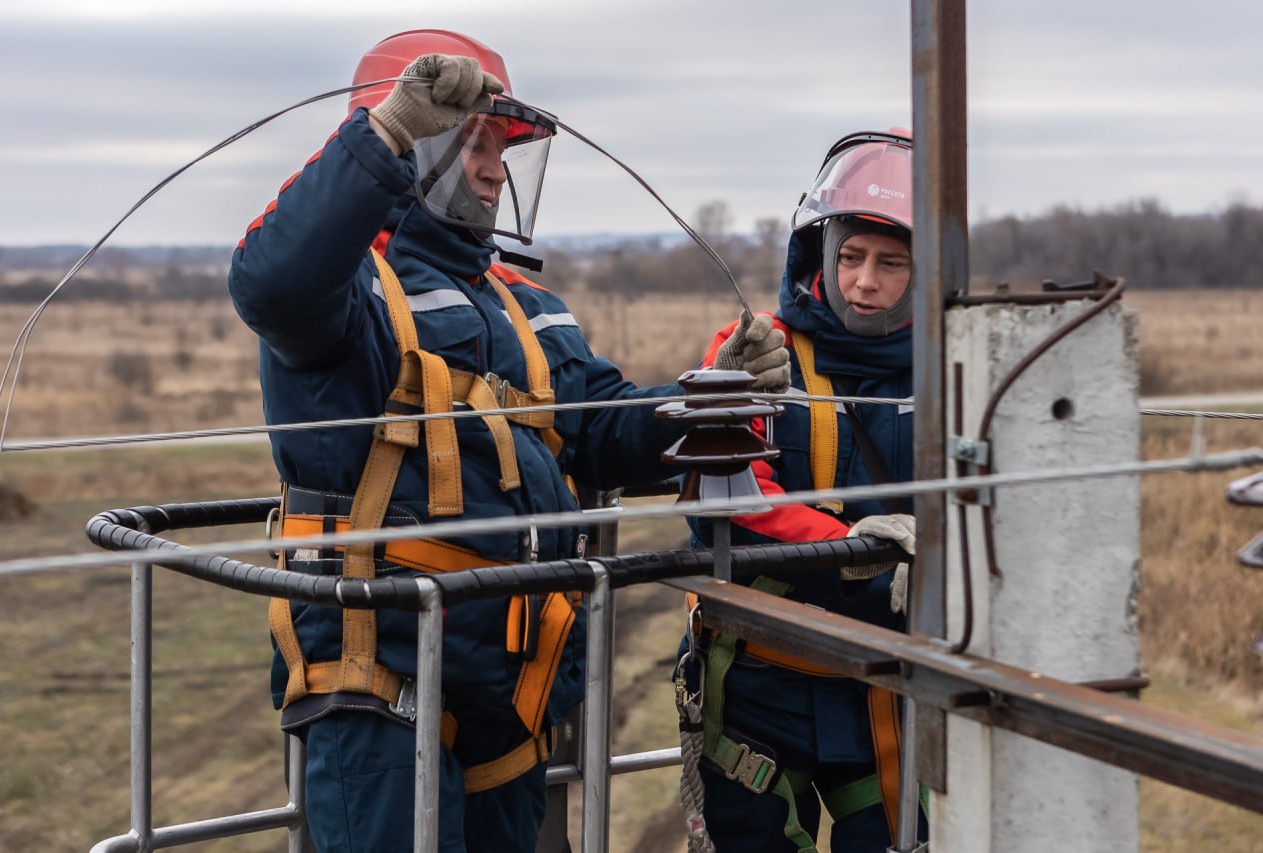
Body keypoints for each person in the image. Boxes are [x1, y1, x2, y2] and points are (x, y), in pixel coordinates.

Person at [227, 29, 787, 852]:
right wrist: (379, 135)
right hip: (378, 681)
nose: (494, 167)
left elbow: (601, 428)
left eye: (503, 147)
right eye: (472, 142)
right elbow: (271, 281)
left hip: (510, 690)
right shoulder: (349, 294)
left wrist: (716, 399)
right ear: (408, 139)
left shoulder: (524, 304)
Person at [676, 129, 925, 852]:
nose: (863, 283)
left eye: (891, 263)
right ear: (819, 251)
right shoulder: (753, 353)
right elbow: (730, 501)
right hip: (759, 691)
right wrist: (847, 546)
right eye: (849, 257)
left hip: (887, 696)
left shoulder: (952, 367)